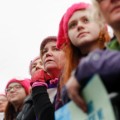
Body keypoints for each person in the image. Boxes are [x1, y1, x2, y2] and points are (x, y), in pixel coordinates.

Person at [61, 0, 120, 114]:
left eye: (86, 20)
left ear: (101, 23)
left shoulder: (88, 67)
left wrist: (89, 66)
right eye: (72, 25)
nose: (79, 26)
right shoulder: (70, 76)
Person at [31, 36, 66, 120]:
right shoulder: (44, 88)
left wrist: (38, 85)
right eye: (44, 51)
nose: (47, 54)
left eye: (56, 49)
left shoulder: (76, 80)